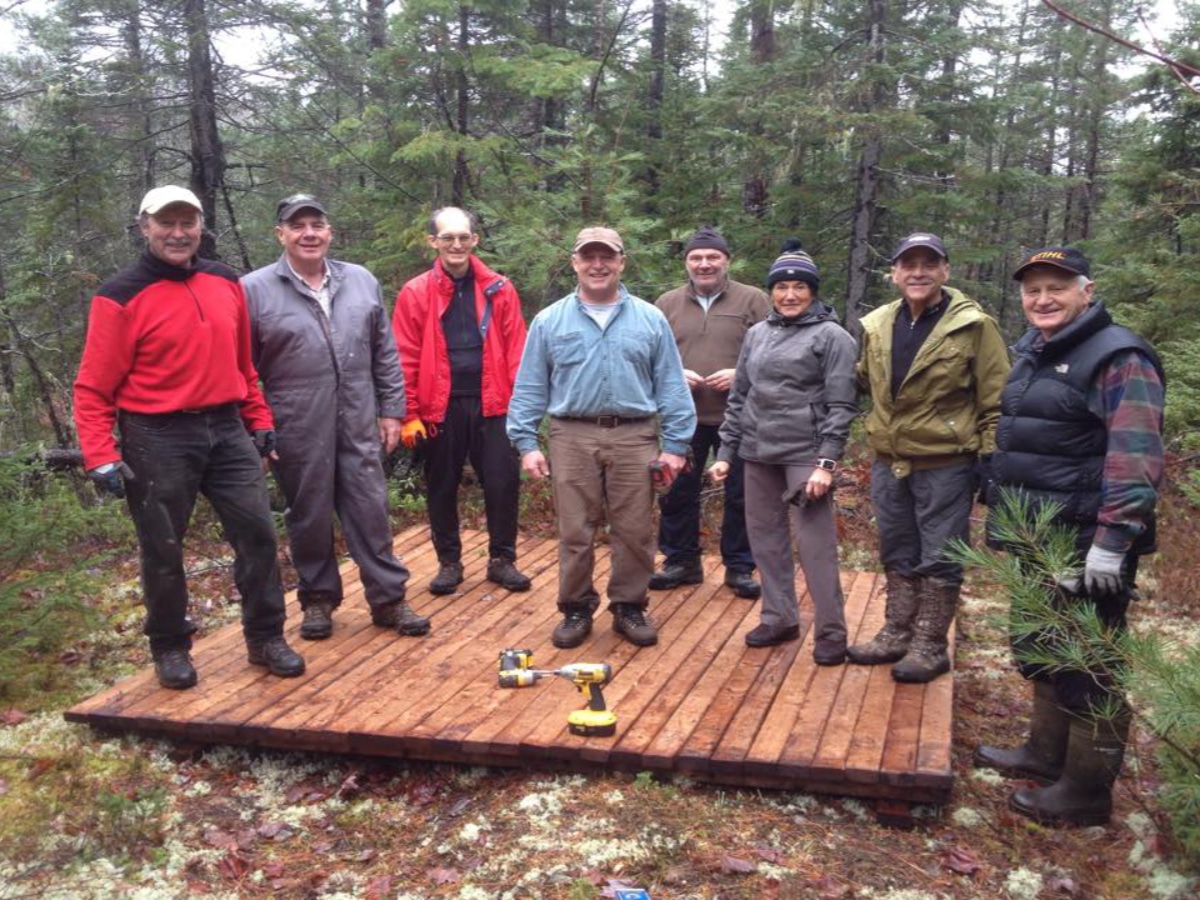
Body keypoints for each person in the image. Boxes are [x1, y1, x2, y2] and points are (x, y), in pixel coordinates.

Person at [73, 185, 305, 690]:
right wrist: (100, 453)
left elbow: (243, 364)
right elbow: (93, 386)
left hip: (226, 428)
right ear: (144, 228)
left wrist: (258, 418)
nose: (178, 234)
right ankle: (170, 647)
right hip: (156, 434)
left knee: (259, 537)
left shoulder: (225, 282)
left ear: (201, 226)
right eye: (166, 224)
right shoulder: (120, 296)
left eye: (187, 223)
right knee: (163, 547)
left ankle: (265, 638)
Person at [973, 246, 1164, 828]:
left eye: (1057, 287)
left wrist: (1113, 540)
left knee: (1091, 664)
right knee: (1039, 644)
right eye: (1032, 290)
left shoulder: (1119, 357)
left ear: (1087, 290)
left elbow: (1135, 457)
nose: (1042, 299)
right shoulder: (1035, 349)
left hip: (1087, 540)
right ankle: (1043, 753)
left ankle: (1085, 790)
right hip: (1040, 534)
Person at [242, 194, 429, 642]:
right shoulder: (253, 289)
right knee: (307, 512)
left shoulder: (360, 280)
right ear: (280, 234)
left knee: (369, 506)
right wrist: (258, 426)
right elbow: (243, 367)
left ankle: (388, 598)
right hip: (296, 417)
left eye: (317, 225)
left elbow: (384, 351)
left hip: (360, 414)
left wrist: (392, 410)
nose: (309, 233)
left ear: (329, 232)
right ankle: (318, 599)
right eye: (297, 225)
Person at [506, 226, 696, 648]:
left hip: (635, 436)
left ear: (621, 262)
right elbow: (531, 385)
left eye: (606, 257)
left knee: (634, 531)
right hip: (571, 436)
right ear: (574, 263)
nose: (598, 265)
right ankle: (575, 608)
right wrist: (526, 443)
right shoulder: (550, 320)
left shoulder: (650, 319)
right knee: (576, 531)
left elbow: (670, 385)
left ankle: (629, 605)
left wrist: (677, 446)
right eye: (588, 257)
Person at [848, 232, 1010, 682]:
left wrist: (990, 458)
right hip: (888, 458)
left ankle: (930, 644)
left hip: (946, 462)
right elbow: (864, 381)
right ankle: (897, 632)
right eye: (908, 264)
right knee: (898, 548)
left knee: (940, 554)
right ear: (895, 273)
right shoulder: (879, 324)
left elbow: (996, 399)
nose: (917, 272)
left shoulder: (974, 326)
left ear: (945, 271)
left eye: (928, 264)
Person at [707, 242, 858, 663]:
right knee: (766, 542)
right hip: (757, 453)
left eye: (799, 287)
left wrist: (825, 463)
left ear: (813, 291)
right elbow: (740, 398)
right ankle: (779, 617)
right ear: (771, 292)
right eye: (782, 287)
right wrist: (725, 452)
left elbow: (842, 406)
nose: (790, 295)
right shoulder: (757, 334)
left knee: (815, 547)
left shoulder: (833, 338)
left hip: (804, 458)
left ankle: (831, 632)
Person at [392, 207, 531, 596]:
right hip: (440, 406)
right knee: (441, 485)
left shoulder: (499, 289)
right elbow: (403, 355)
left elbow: (519, 350)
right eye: (448, 238)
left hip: (494, 404)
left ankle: (502, 560)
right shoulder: (416, 292)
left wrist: (522, 408)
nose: (457, 244)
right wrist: (409, 415)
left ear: (475, 241)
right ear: (433, 242)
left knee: (502, 484)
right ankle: (449, 563)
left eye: (463, 237)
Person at [650, 226, 770, 599]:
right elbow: (649, 357)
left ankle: (739, 566)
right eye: (696, 258)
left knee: (741, 493)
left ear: (726, 261)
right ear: (686, 263)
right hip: (682, 418)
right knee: (677, 490)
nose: (704, 265)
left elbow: (776, 350)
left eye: (712, 257)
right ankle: (681, 561)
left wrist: (741, 373)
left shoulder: (754, 301)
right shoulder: (665, 304)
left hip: (739, 419)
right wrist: (671, 375)